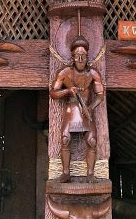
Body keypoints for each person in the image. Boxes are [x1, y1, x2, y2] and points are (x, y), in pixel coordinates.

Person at [50, 35, 104, 183]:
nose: (80, 59)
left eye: (83, 56)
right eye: (77, 56)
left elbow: (100, 95)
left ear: (87, 57)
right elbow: (53, 93)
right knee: (65, 139)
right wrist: (68, 91)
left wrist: (90, 107)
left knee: (92, 141)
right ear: (73, 57)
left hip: (86, 110)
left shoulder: (93, 74)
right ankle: (66, 172)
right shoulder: (64, 73)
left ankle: (91, 174)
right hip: (71, 109)